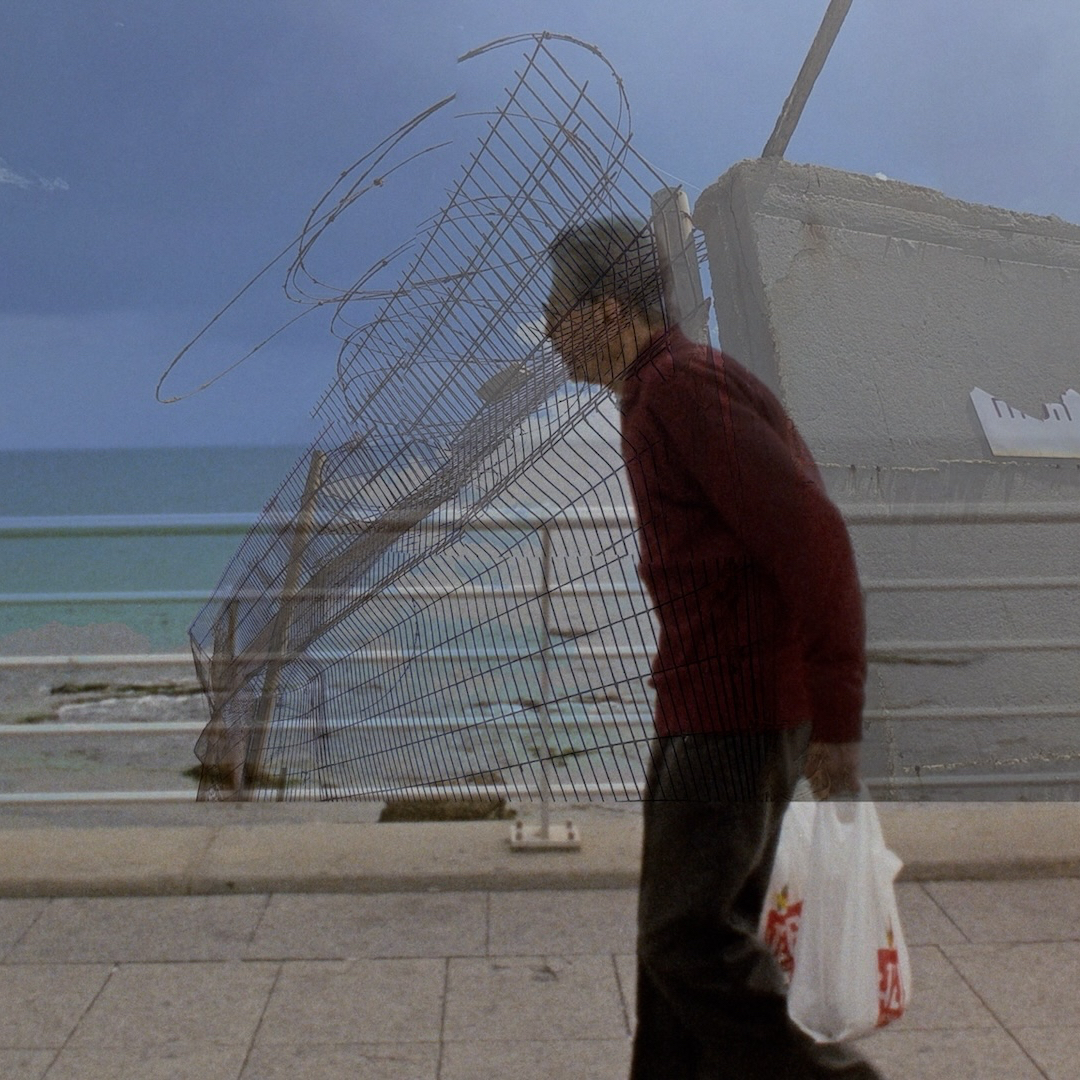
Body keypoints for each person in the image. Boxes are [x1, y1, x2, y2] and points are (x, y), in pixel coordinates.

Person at [545, 217, 883, 1079]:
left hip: (734, 717)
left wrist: (837, 720)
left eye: (557, 307)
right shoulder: (660, 390)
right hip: (708, 706)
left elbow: (815, 540)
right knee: (676, 954)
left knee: (687, 943)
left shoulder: (682, 389)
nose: (546, 328)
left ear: (607, 308)